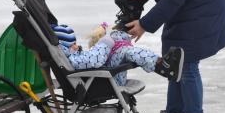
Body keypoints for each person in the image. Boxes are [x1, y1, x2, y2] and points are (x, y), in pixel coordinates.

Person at [51, 23, 184, 86]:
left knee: (125, 50)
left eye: (75, 42)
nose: (76, 46)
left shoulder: (72, 57)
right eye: (71, 44)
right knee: (127, 51)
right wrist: (105, 43)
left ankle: (159, 63)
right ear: (63, 47)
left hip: (105, 76)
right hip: (104, 81)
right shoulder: (72, 60)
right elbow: (95, 60)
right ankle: (160, 65)